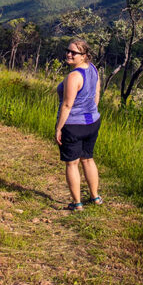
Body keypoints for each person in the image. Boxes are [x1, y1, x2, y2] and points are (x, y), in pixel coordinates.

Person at [54, 38, 102, 211]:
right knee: (88, 159)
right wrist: (92, 110)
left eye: (74, 52)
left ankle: (77, 203)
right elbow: (96, 92)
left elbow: (67, 105)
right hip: (92, 122)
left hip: (73, 124)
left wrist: (59, 127)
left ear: (84, 56)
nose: (69, 54)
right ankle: (95, 197)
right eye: (68, 51)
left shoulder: (74, 76)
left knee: (72, 163)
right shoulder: (93, 69)